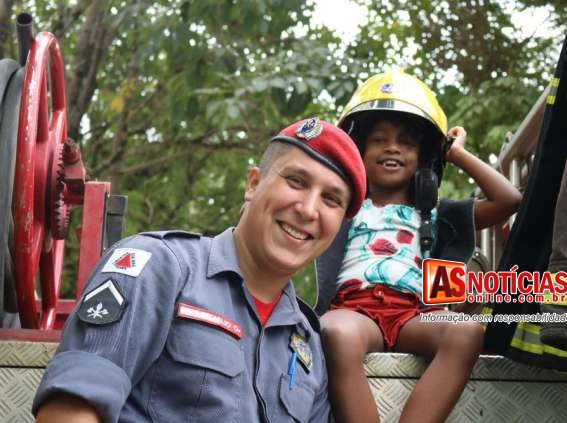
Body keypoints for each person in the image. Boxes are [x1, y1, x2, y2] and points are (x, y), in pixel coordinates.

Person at [32, 117, 367, 423]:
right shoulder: (157, 267)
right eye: (296, 181)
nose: (308, 209)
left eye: (331, 200)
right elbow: (69, 411)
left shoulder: (308, 345)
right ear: (253, 184)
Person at [316, 70, 522, 423]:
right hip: (354, 309)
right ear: (357, 151)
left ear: (424, 157)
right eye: (378, 140)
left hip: (414, 314)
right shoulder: (344, 206)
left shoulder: (437, 215)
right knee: (334, 332)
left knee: (466, 332)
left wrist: (455, 154)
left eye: (407, 143)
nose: (392, 147)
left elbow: (509, 200)